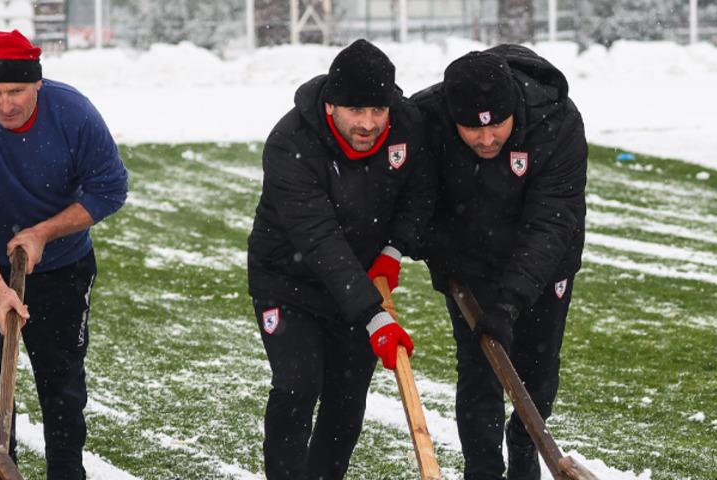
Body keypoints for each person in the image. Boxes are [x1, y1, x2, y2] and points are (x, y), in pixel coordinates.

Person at [0, 30, 128, 479]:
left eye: (17, 91)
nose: (6, 104)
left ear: (37, 84)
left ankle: (67, 471)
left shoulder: (73, 112)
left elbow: (110, 188)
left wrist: (43, 232)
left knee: (60, 376)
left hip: (61, 264)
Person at [247, 39, 435, 480]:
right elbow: (319, 240)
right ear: (331, 105)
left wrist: (393, 251)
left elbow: (420, 193)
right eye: (356, 111)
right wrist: (375, 317)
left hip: (363, 277)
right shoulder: (290, 142)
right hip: (289, 279)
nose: (368, 124)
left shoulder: (407, 125)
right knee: (298, 386)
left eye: (378, 110)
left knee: (347, 400)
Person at [412, 44, 587, 480]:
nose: (486, 139)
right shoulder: (426, 121)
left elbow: (552, 221)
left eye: (497, 127)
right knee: (479, 371)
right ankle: (484, 471)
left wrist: (509, 302)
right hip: (469, 261)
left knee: (539, 374)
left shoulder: (557, 122)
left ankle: (525, 447)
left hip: (545, 262)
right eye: (472, 129)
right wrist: (441, 253)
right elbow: (413, 201)